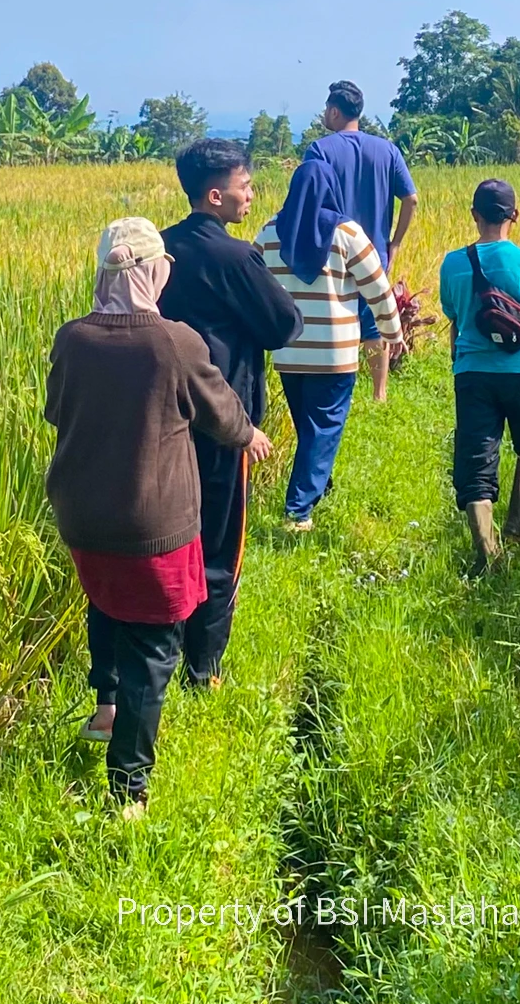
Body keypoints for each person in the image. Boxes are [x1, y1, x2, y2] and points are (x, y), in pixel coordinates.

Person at [44, 216, 274, 812]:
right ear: (153, 271)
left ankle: (105, 709)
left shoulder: (71, 337)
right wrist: (250, 435)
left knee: (108, 601)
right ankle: (128, 788)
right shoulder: (174, 340)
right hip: (151, 521)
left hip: (81, 515)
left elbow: (56, 411)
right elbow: (222, 414)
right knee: (154, 642)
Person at [157, 139, 301, 689]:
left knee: (174, 539)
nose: (251, 195)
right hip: (223, 421)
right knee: (220, 543)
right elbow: (283, 325)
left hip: (164, 421)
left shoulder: (160, 250)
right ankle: (205, 668)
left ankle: (162, 658)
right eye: (245, 185)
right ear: (215, 196)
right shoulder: (238, 257)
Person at [257, 158, 401, 531]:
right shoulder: (347, 233)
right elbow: (379, 291)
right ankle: (298, 511)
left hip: (287, 351)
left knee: (309, 426)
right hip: (334, 352)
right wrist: (392, 333)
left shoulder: (270, 232)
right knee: (322, 427)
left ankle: (318, 488)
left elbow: (253, 285)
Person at [438, 178, 520, 569]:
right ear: (515, 215)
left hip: (472, 375)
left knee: (476, 464)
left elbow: (455, 320)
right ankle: (518, 523)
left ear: (474, 216)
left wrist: (458, 363)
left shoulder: (453, 263)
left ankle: (488, 554)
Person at [302, 80, 417, 402]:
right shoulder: (387, 150)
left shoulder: (320, 151)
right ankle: (380, 393)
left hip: (331, 250)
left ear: (335, 111)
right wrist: (394, 244)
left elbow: (309, 199)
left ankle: (338, 391)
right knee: (375, 324)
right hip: (374, 253)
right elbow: (411, 199)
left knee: (334, 321)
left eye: (327, 108)